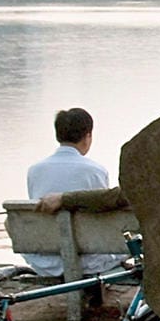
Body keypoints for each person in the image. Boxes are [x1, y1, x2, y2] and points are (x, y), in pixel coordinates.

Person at [22, 108, 126, 279]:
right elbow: (104, 215)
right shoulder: (95, 170)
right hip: (89, 261)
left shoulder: (34, 170)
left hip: (46, 261)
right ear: (88, 136)